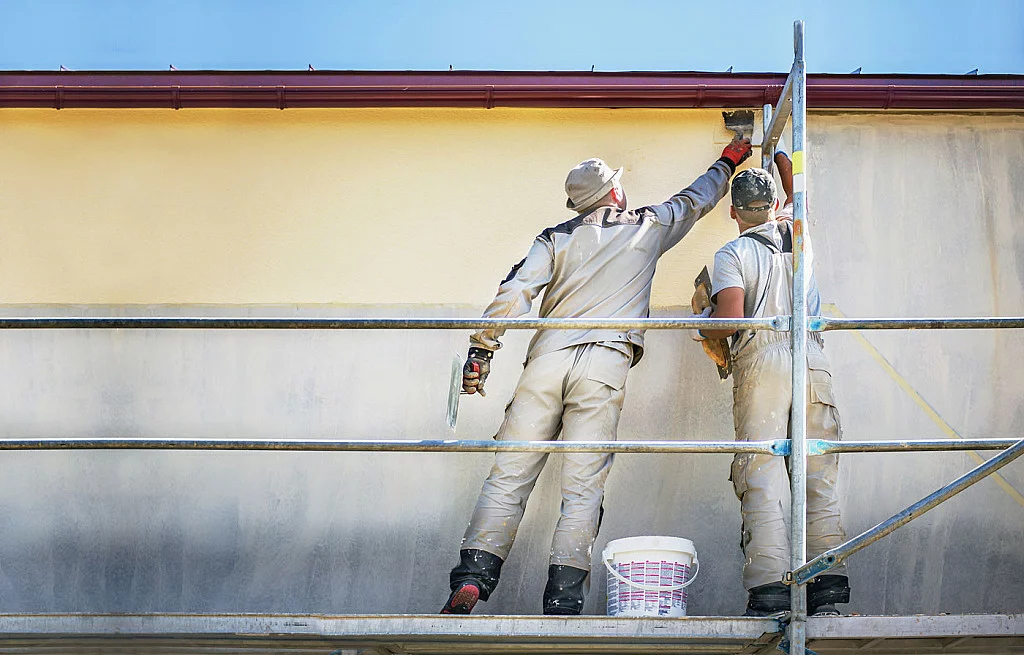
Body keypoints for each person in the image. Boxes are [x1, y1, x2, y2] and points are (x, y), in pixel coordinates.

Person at [440, 137, 753, 615]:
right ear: (614, 193)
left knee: (507, 477)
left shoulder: (553, 238)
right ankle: (563, 598)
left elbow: (515, 291)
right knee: (583, 486)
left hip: (546, 362)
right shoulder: (647, 226)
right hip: (604, 364)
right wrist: (729, 161)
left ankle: (473, 578)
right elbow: (696, 199)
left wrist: (481, 350)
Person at [698, 151, 851, 617]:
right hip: (811, 356)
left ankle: (769, 593)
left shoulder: (733, 252)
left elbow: (731, 321)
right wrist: (783, 155)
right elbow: (795, 192)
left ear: (733, 212)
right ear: (775, 203)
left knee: (763, 473)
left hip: (762, 360)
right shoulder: (799, 234)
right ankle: (828, 591)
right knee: (817, 471)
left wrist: (703, 319)